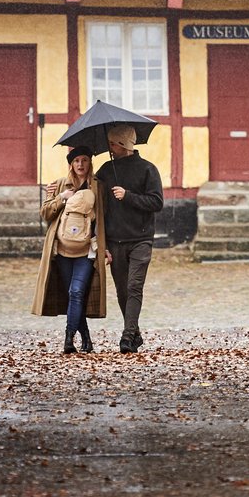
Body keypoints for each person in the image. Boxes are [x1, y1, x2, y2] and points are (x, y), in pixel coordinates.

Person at [31, 146, 108, 353]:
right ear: (71, 164)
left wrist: (106, 248)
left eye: (84, 160)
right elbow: (45, 213)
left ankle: (68, 339)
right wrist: (62, 197)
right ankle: (87, 340)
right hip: (62, 250)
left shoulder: (98, 187)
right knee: (73, 295)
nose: (80, 164)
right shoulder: (58, 185)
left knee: (76, 292)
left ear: (90, 162)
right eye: (76, 161)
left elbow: (103, 220)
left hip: (86, 251)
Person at [98, 123, 163, 353]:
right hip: (115, 242)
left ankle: (126, 337)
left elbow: (157, 202)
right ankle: (135, 332)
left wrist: (128, 196)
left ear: (123, 144)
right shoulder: (105, 171)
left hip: (141, 239)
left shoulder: (148, 170)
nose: (110, 147)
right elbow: (97, 206)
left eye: (113, 143)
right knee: (122, 290)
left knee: (135, 286)